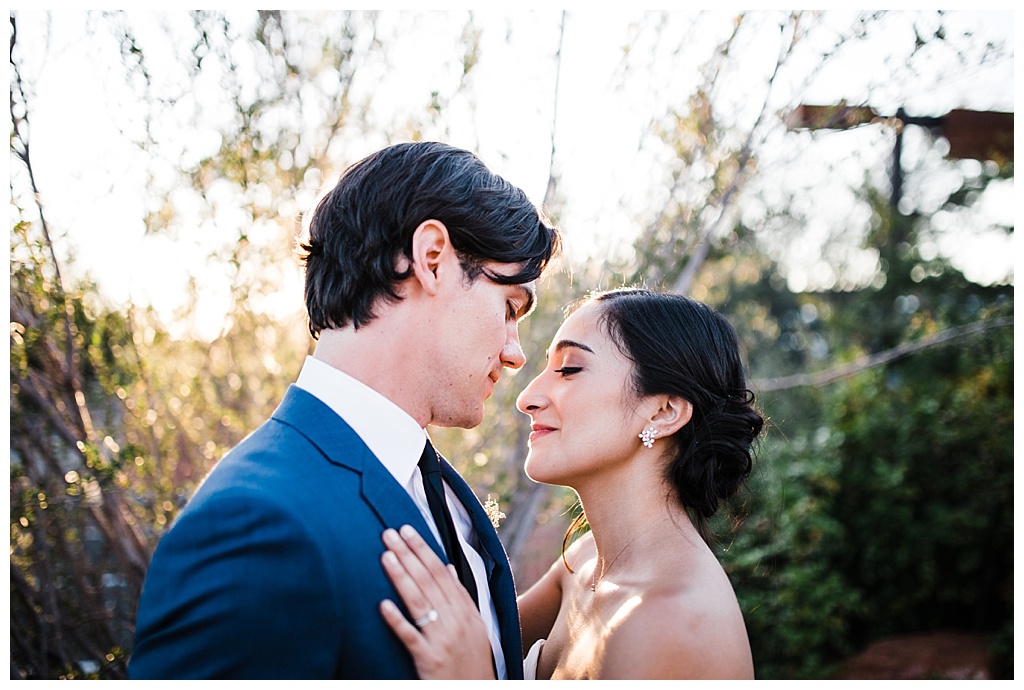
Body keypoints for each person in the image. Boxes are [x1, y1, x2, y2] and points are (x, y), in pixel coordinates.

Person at [129, 141, 560, 679]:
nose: (515, 352)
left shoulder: (441, 492)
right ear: (432, 260)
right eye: (509, 307)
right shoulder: (255, 527)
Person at [378, 287, 764, 679]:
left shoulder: (672, 622)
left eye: (569, 369)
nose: (527, 397)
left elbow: (472, 663)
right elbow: (475, 644)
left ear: (663, 412)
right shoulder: (582, 564)